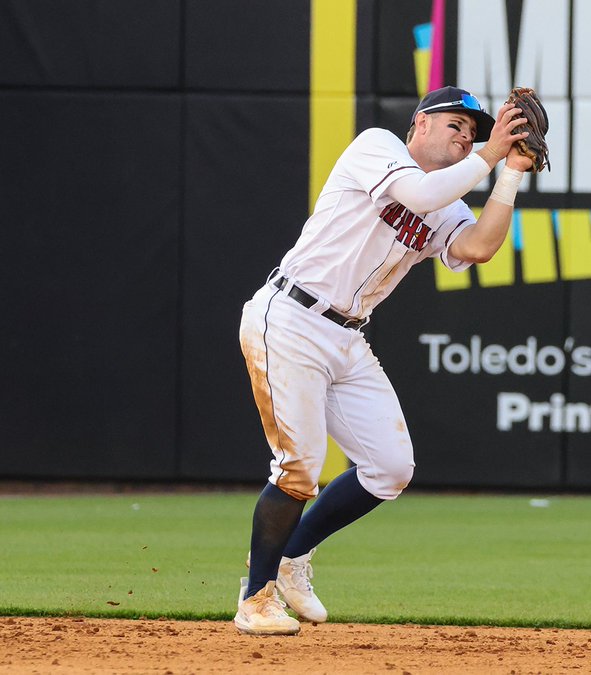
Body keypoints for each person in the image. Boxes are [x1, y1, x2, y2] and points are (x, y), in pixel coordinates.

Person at [233, 86, 533, 635]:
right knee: (298, 470)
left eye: (474, 127)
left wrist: (509, 173)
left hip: (347, 335)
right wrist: (489, 154)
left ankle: (292, 556)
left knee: (391, 467)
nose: (466, 133)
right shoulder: (377, 147)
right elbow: (415, 196)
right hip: (292, 317)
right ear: (419, 123)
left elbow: (476, 248)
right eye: (455, 124)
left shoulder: (448, 201)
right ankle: (256, 597)